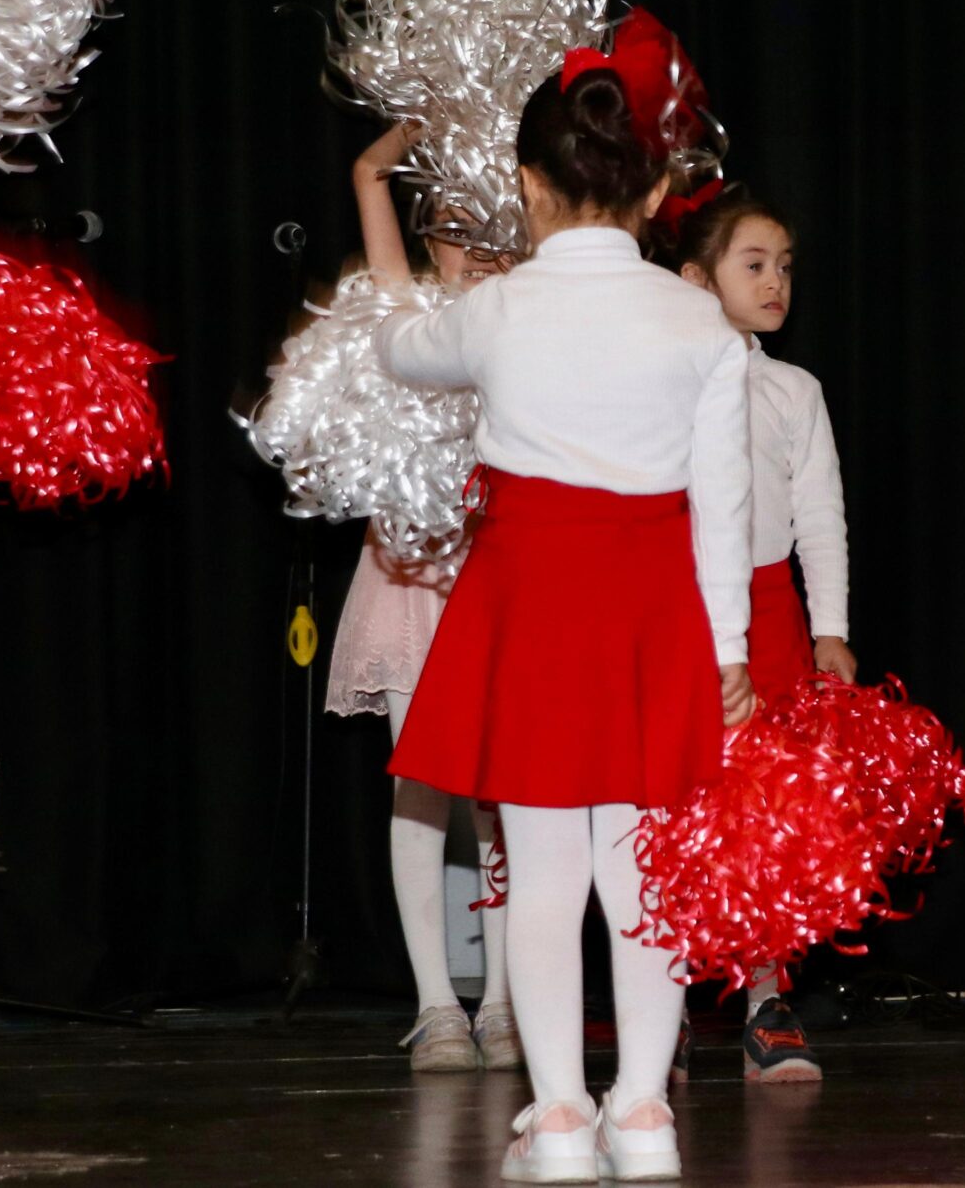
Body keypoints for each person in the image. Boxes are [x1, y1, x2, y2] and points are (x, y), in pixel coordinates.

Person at [377, 61, 752, 1183]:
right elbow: (724, 503)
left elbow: (398, 350)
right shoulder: (700, 318)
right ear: (655, 194)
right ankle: (643, 1110)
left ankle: (555, 1118)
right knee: (642, 872)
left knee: (541, 869)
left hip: (532, 600)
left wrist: (419, 268)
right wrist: (729, 649)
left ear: (528, 186)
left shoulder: (497, 309)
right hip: (652, 608)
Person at [323, 122, 516, 1073]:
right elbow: (371, 177)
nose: (472, 247)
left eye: (490, 228)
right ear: (427, 237)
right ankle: (437, 1004)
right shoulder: (409, 315)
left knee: (506, 796)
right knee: (421, 785)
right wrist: (422, 122)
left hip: (504, 579)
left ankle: (507, 1002)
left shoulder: (527, 321)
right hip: (410, 575)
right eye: (451, 227)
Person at [674, 187, 852, 1082]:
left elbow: (819, 513)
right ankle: (661, 997)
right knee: (677, 801)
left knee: (767, 811)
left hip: (771, 611)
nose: (776, 280)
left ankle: (766, 997)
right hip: (679, 609)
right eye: (754, 264)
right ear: (696, 279)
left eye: (784, 266)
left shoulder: (793, 389)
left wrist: (831, 627)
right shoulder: (664, 381)